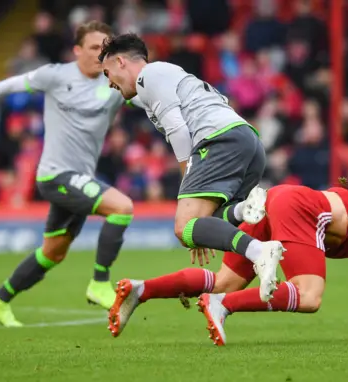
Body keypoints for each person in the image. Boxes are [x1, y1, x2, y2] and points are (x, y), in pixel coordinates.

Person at [107, 184, 348, 344]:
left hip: (284, 198)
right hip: (304, 208)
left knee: (226, 280)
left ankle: (142, 289)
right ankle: (221, 307)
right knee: (310, 297)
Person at [0, 21, 136, 327]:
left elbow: (148, 95)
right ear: (77, 50)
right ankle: (99, 283)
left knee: (52, 253)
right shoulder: (55, 76)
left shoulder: (114, 84)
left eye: (105, 48)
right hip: (55, 175)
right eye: (94, 47)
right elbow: (8, 85)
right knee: (122, 207)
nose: (101, 54)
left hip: (79, 180)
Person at [99, 33, 285, 302]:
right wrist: (199, 229)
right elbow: (132, 100)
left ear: (120, 61)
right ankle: (245, 209)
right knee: (196, 226)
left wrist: (188, 186)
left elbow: (177, 127)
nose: (108, 83)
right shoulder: (164, 79)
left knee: (183, 227)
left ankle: (259, 252)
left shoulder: (148, 76)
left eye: (107, 73)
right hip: (247, 141)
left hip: (217, 139)